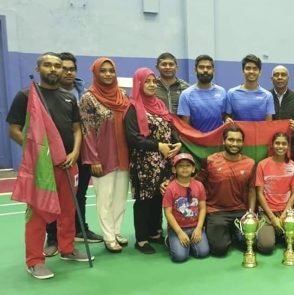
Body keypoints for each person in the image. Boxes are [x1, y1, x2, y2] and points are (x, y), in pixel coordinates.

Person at [6, 52, 93, 280]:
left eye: (57, 66)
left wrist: (75, 152)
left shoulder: (68, 98)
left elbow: (76, 129)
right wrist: (39, 152)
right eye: (48, 65)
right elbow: (14, 129)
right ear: (38, 68)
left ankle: (67, 248)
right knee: (38, 213)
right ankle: (34, 261)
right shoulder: (26, 95)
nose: (54, 69)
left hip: (67, 164)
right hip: (41, 167)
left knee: (68, 209)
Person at [44, 52, 102, 258]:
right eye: (64, 68)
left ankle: (79, 230)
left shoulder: (81, 92)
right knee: (53, 198)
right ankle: (52, 237)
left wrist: (80, 151)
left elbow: (81, 127)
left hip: (81, 153)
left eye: (71, 69)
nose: (68, 72)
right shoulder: (44, 95)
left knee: (79, 195)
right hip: (53, 157)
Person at [124, 67, 182, 254]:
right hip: (144, 163)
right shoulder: (133, 107)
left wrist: (177, 144)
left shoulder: (160, 105)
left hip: (164, 161)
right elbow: (133, 138)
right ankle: (141, 239)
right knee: (144, 200)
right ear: (138, 84)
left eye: (152, 82)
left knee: (160, 196)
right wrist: (159, 146)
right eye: (146, 81)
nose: (150, 85)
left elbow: (170, 128)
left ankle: (155, 232)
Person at [79, 57, 130, 253]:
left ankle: (116, 231)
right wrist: (93, 159)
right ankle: (108, 237)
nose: (108, 74)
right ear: (96, 73)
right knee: (105, 198)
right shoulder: (88, 98)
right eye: (103, 70)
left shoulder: (123, 95)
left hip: (123, 153)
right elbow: (87, 131)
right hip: (102, 156)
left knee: (120, 197)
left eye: (111, 70)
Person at [204, 125, 256, 256]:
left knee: (251, 243)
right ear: (223, 141)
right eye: (231, 140)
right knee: (219, 250)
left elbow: (252, 190)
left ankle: (233, 232)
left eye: (238, 140)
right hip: (216, 212)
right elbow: (197, 185)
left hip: (240, 212)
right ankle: (214, 229)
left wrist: (250, 214)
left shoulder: (250, 163)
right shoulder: (211, 160)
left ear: (243, 143)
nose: (235, 144)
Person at [255, 132, 294, 254]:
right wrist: (272, 217)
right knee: (266, 247)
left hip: (286, 211)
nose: (280, 146)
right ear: (272, 145)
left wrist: (283, 215)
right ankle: (273, 233)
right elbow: (259, 194)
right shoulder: (262, 165)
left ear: (288, 146)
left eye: (284, 144)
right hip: (267, 212)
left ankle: (280, 233)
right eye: (277, 143)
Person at [163, 153, 210, 262]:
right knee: (180, 257)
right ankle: (170, 240)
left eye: (188, 165)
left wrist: (199, 228)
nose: (184, 168)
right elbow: (168, 213)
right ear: (174, 170)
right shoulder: (170, 188)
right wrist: (179, 232)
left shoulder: (199, 185)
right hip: (177, 229)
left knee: (202, 253)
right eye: (180, 165)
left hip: (195, 227)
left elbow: (202, 208)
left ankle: (187, 243)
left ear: (193, 169)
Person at [177, 55, 227, 132]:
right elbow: (186, 126)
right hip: (196, 141)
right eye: (201, 67)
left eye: (209, 67)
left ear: (213, 70)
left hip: (218, 140)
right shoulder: (186, 95)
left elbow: (225, 119)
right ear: (195, 70)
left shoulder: (222, 92)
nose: (205, 70)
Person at [269, 65, 294, 160]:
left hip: (291, 150)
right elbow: (261, 123)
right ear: (271, 78)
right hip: (270, 149)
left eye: (283, 75)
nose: (280, 77)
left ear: (288, 78)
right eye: (276, 75)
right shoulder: (266, 97)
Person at [225, 54, 275, 121]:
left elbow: (268, 123)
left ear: (260, 72)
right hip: (238, 131)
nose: (251, 71)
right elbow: (227, 118)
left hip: (259, 131)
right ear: (243, 71)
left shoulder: (268, 96)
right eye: (248, 68)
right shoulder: (231, 93)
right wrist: (227, 119)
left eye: (255, 69)